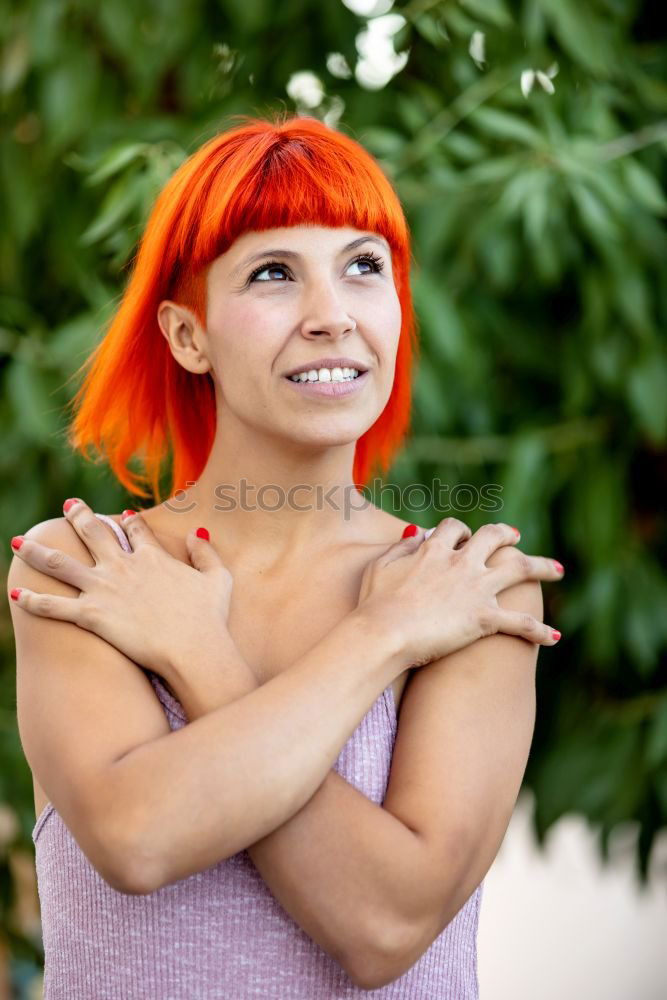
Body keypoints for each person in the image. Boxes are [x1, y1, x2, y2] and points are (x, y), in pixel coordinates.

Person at [7, 113, 563, 999]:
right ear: (188, 338)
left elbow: (384, 927)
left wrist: (201, 653)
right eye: (274, 274)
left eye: (362, 268)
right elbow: (138, 837)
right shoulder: (84, 565)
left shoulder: (467, 591)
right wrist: (383, 638)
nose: (330, 317)